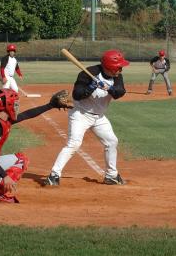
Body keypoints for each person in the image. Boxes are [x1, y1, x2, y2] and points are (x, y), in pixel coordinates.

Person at [0, 88, 71, 203]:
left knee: (1, 164)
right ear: (6, 105)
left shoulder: (0, 120)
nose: (16, 106)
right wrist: (5, 176)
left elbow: (27, 114)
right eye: (14, 104)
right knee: (21, 160)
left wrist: (50, 105)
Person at [44, 49, 130, 186]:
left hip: (99, 117)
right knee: (74, 144)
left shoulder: (117, 76)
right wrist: (91, 87)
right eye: (119, 66)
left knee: (112, 141)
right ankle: (54, 175)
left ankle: (111, 175)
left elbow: (120, 92)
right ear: (111, 67)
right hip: (81, 114)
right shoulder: (87, 73)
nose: (121, 69)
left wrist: (108, 88)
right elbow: (77, 95)